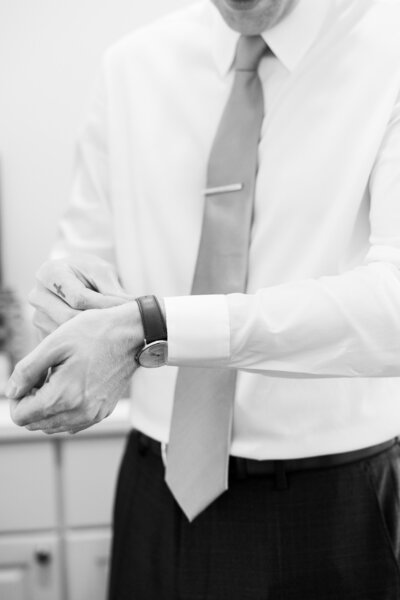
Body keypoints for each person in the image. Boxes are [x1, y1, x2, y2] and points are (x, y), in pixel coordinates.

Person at [6, 0, 400, 597]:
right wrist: (67, 298)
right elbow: (82, 245)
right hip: (154, 486)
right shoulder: (131, 67)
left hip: (337, 502)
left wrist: (155, 328)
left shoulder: (389, 52)